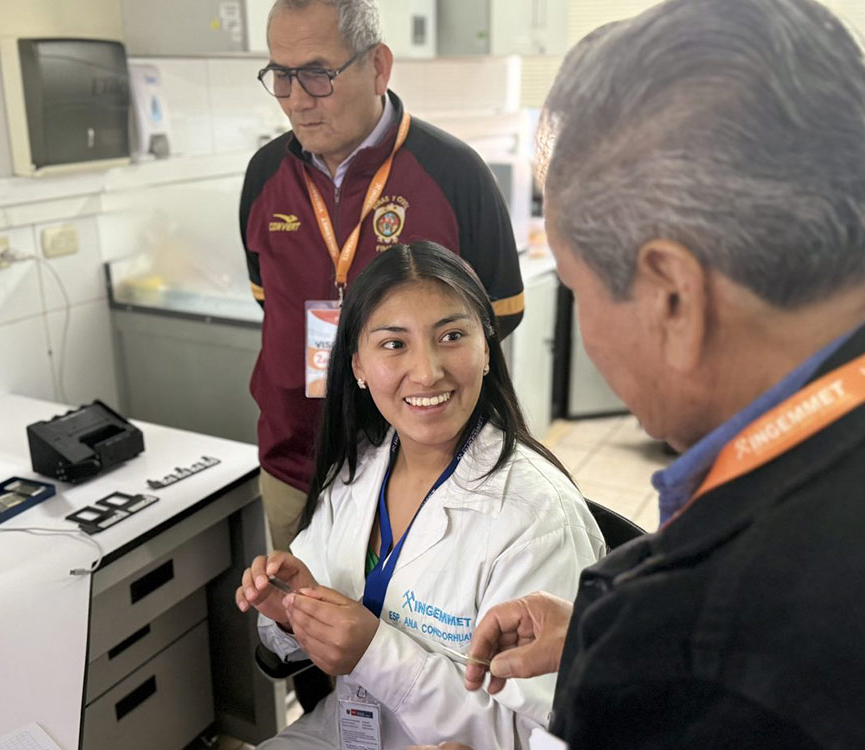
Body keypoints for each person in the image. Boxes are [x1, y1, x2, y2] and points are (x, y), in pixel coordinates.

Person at [440, 0, 865, 748]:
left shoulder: (687, 652)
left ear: (673, 298)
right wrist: (592, 630)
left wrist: (631, 645)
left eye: (580, 290)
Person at [234, 242, 605, 749]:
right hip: (342, 732)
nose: (428, 371)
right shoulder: (360, 469)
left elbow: (539, 736)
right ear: (358, 366)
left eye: (451, 335)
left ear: (486, 347)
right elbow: (291, 641)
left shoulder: (537, 517)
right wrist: (292, 612)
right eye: (393, 344)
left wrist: (373, 653)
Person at [239, 0, 525, 556]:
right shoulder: (265, 174)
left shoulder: (453, 173)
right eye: (281, 75)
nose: (296, 99)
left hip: (420, 472)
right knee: (298, 627)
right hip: (293, 461)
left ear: (378, 66)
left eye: (318, 74)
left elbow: (499, 317)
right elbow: (267, 301)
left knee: (409, 634)